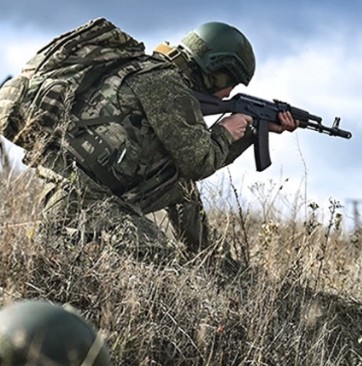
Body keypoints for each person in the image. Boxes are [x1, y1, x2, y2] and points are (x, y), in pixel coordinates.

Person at [34, 21, 298, 257]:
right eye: (232, 82)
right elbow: (200, 163)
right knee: (161, 260)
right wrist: (226, 130)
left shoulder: (155, 72)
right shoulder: (167, 87)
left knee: (181, 183)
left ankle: (210, 261)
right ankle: (204, 261)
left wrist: (253, 130)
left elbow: (194, 161)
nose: (229, 92)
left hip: (85, 191)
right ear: (215, 68)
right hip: (83, 204)